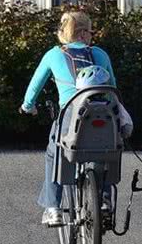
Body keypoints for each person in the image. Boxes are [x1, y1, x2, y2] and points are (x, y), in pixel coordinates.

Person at [19, 11, 118, 226]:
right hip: (103, 111)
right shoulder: (100, 54)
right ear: (83, 33)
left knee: (55, 154)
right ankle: (103, 200)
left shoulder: (54, 55)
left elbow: (34, 87)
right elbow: (114, 87)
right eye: (90, 32)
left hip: (71, 115)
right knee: (102, 152)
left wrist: (28, 106)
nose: (91, 37)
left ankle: (53, 208)